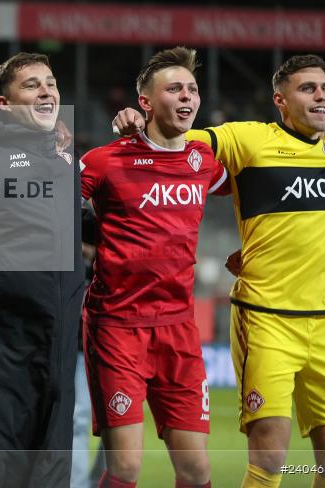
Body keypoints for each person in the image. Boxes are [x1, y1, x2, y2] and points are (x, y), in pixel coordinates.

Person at [113, 54, 325, 488]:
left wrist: (278, 242)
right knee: (271, 461)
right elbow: (182, 142)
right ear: (280, 100)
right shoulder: (248, 139)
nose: (322, 96)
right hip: (267, 320)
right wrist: (139, 122)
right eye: (308, 89)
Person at [82, 47, 228, 488]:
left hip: (179, 330)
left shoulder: (204, 162)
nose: (187, 97)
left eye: (193, 89)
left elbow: (259, 194)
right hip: (118, 327)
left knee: (197, 469)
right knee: (126, 467)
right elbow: (50, 206)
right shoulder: (107, 160)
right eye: (174, 89)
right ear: (145, 102)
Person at [0, 53, 84, 488]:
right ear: (3, 105)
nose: (47, 91)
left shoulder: (68, 164)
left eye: (51, 82)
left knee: (49, 463)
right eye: (32, 85)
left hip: (58, 338)